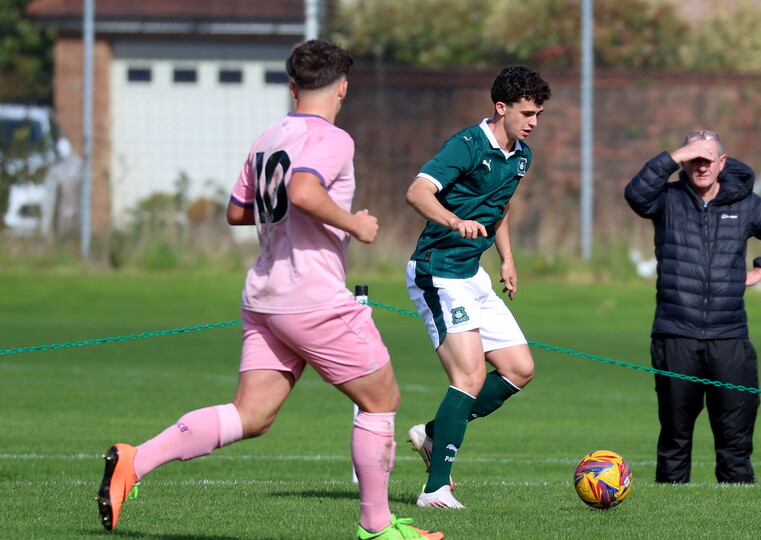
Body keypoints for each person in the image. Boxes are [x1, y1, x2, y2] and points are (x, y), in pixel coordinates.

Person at [95, 40, 443, 540]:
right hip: (312, 296)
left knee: (251, 414)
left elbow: (237, 211)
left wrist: (284, 209)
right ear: (343, 86)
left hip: (264, 295)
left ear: (292, 86)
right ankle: (377, 527)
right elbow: (302, 191)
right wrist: (354, 223)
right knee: (381, 398)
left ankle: (134, 461)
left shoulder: (269, 136)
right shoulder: (334, 139)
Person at [403, 65, 551, 509]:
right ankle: (435, 490)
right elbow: (416, 192)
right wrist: (453, 220)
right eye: (526, 112)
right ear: (500, 108)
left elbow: (498, 207)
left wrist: (506, 257)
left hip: (473, 275)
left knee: (519, 370)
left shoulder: (521, 155)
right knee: (468, 376)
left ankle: (432, 434)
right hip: (438, 271)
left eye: (539, 113)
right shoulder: (466, 146)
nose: (533, 122)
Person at [623, 129, 761, 484]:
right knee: (675, 438)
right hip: (676, 334)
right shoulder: (667, 199)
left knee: (735, 443)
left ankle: (736, 518)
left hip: (729, 337)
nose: (701, 167)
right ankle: (671, 518)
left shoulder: (745, 203)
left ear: (722, 163)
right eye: (694, 159)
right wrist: (675, 155)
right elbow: (636, 195)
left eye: (708, 160)